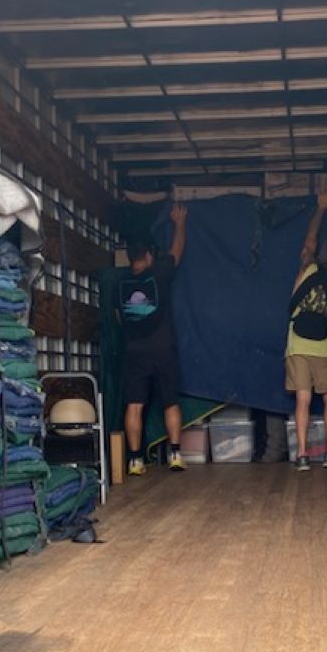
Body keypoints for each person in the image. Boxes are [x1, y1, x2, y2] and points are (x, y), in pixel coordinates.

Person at [117, 204, 187, 475]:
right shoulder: (159, 273)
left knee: (134, 404)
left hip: (134, 350)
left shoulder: (120, 284)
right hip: (163, 349)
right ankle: (176, 455)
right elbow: (177, 251)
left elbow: (119, 317)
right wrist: (180, 223)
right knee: (170, 401)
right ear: (147, 255)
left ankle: (134, 460)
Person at [286, 191, 327, 472]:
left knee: (303, 399)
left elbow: (309, 241)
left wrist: (320, 209)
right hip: (324, 349)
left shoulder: (307, 270)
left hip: (297, 347)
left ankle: (301, 455)